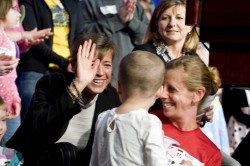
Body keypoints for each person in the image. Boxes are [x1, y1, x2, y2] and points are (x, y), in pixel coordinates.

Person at [6, 33, 121, 166]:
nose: (100, 72)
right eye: (91, 64)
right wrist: (77, 85)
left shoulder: (112, 97)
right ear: (73, 65)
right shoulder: (52, 84)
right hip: (34, 159)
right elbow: (41, 129)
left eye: (107, 65)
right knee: (66, 151)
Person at [90, 51, 183, 166]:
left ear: (118, 87)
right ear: (159, 91)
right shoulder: (148, 122)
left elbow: (94, 161)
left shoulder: (102, 117)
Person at [17, 0, 84, 122]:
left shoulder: (73, 3)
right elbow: (33, 38)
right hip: (36, 69)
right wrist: (64, 62)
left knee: (57, 118)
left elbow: (80, 34)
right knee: (30, 121)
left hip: (66, 69)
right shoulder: (30, 2)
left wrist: (74, 60)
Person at [152, 55, 222, 165]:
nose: (161, 94)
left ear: (197, 95)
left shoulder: (210, 154)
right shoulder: (147, 121)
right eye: (162, 86)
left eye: (171, 89)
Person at [80, 0, 149, 86]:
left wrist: (131, 21)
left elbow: (146, 38)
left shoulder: (133, 4)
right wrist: (117, 20)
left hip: (132, 75)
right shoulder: (88, 3)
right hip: (101, 77)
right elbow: (85, 35)